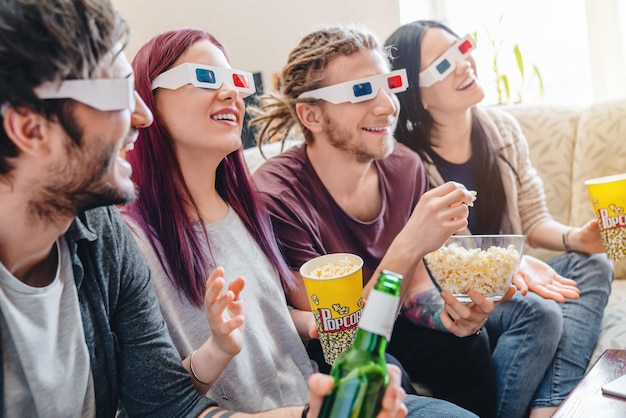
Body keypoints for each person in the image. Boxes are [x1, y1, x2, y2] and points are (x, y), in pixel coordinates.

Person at [0, 0, 408, 416]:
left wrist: (311, 342)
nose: (140, 114)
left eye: (234, 79)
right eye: (118, 92)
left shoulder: (101, 235)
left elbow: (166, 403)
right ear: (30, 130)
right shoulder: (124, 233)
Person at [121, 26, 476, 418]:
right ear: (144, 97)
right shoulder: (128, 240)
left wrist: (322, 325)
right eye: (205, 78)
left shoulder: (242, 209)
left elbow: (269, 317)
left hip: (308, 392)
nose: (232, 93)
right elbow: (157, 397)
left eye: (235, 82)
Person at [250, 24, 517, 418]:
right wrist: (410, 243)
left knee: (468, 344)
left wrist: (445, 315)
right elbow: (340, 331)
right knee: (386, 372)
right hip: (339, 341)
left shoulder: (405, 166)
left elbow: (414, 290)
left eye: (388, 84)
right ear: (311, 115)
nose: (388, 105)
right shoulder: (277, 196)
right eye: (361, 91)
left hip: (390, 316)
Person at [383, 20, 614, 418]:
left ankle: (549, 407)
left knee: (594, 264)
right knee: (539, 310)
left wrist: (577, 237)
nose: (463, 64)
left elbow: (534, 220)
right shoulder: (407, 162)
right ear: (413, 93)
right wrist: (514, 265)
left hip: (508, 274)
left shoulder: (502, 129)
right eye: (442, 65)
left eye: (463, 48)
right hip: (457, 294)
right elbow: (452, 254)